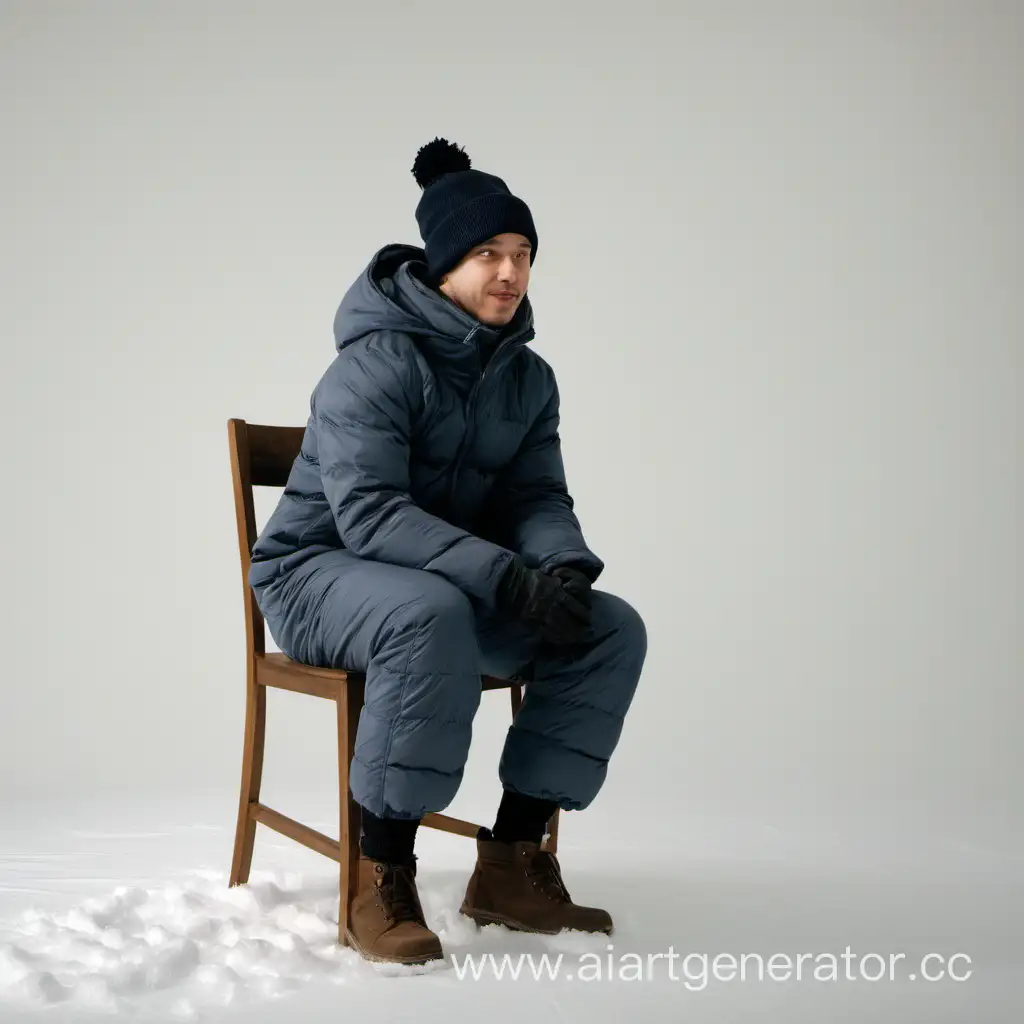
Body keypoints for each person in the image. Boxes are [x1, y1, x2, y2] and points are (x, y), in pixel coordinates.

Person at [248, 138, 647, 965]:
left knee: (608, 626)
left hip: (442, 584)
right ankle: (380, 874)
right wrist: (506, 575)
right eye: (487, 254)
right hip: (317, 574)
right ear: (442, 266)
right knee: (425, 616)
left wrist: (561, 570)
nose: (509, 272)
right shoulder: (373, 365)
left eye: (523, 255)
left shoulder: (528, 379)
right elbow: (370, 516)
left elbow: (537, 496)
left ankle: (509, 863)